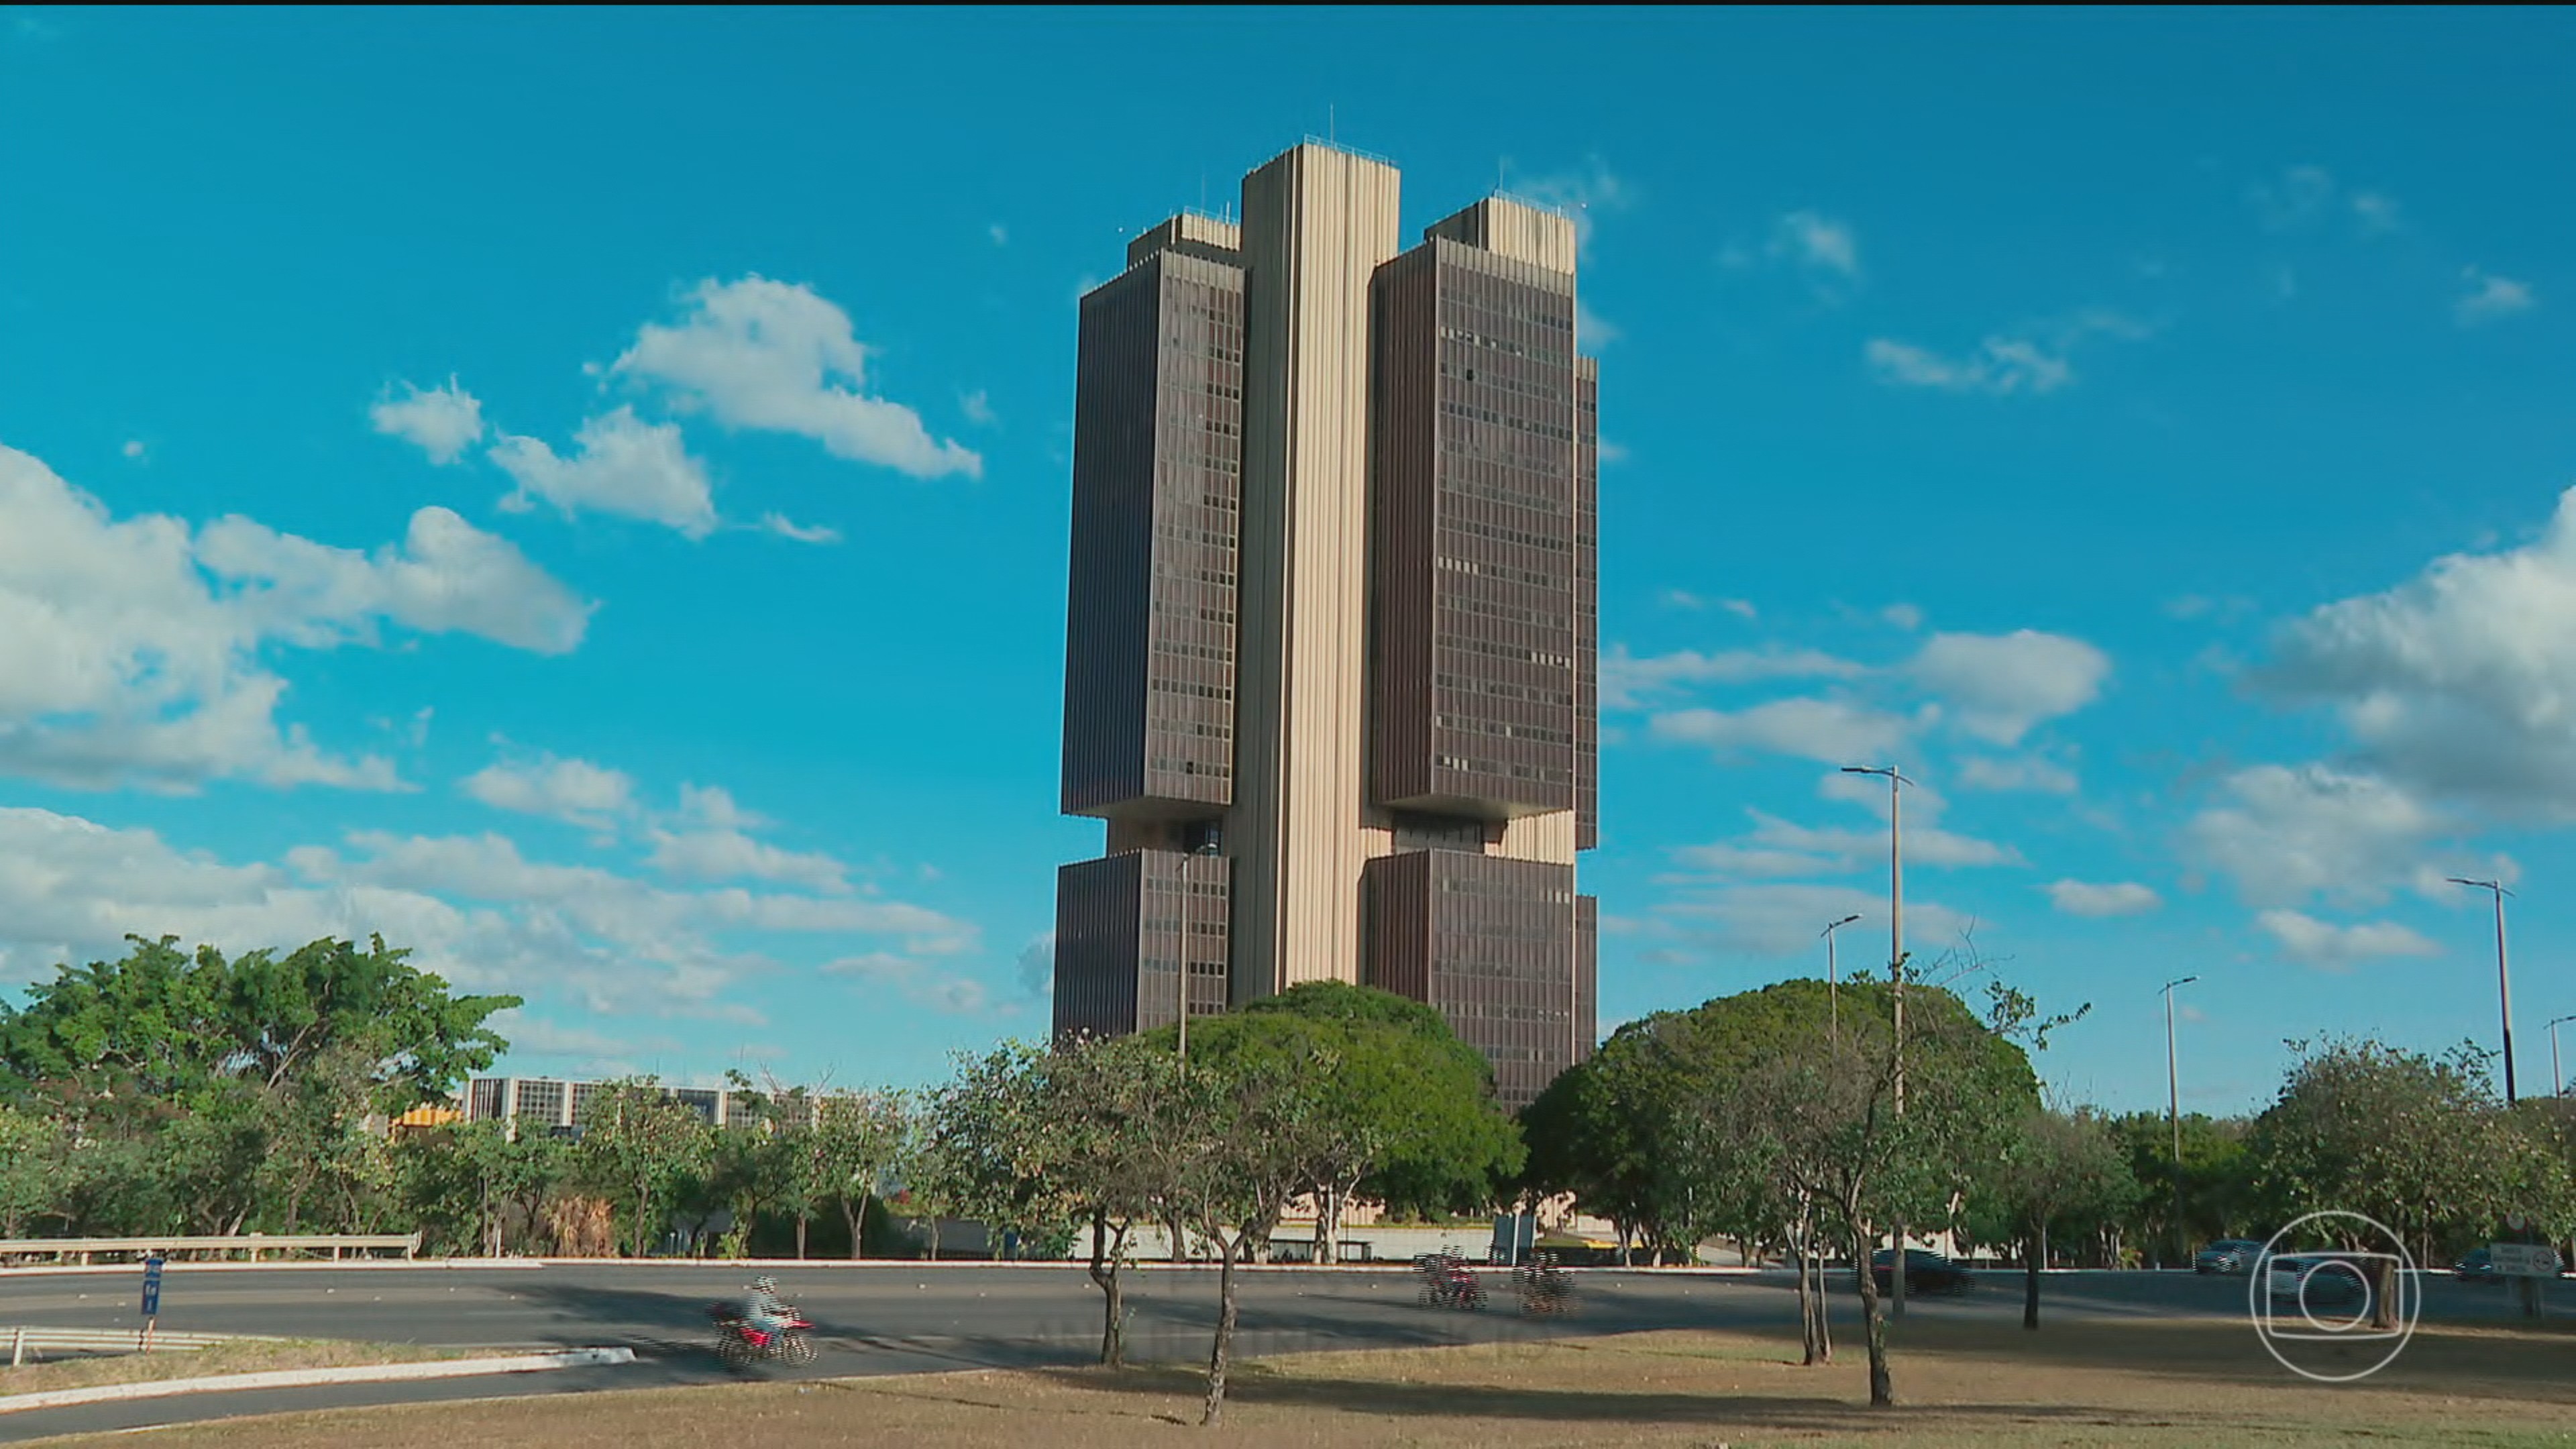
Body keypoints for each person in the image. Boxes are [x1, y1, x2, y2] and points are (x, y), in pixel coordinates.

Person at [739, 1275, 790, 1342]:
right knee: (777, 1330)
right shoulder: (763, 1295)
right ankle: (772, 1349)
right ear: (767, 1285)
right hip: (757, 1319)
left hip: (747, 1318)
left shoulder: (752, 1293)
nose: (774, 1287)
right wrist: (787, 1309)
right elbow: (774, 1306)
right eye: (773, 1284)